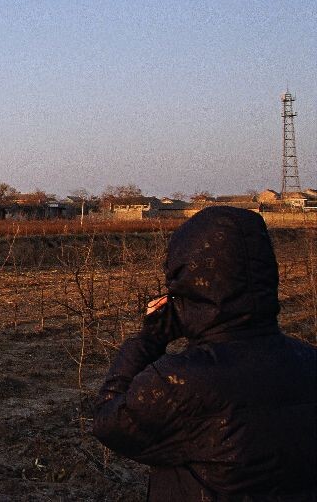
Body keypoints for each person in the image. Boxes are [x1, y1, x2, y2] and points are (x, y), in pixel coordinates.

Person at [92, 205, 317, 501]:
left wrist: (149, 339)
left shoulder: (181, 382)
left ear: (187, 280)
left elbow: (109, 422)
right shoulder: (309, 362)